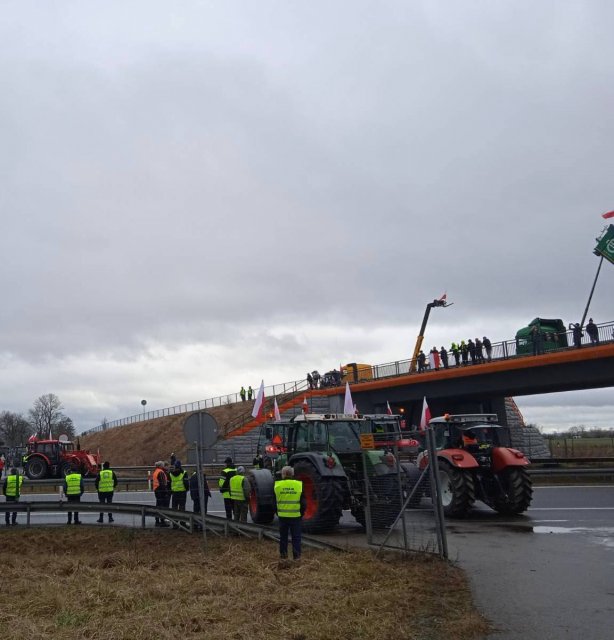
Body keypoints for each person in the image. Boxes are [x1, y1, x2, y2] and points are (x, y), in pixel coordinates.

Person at [274, 465, 306, 562]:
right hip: (295, 517)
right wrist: (301, 513)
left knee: (283, 538)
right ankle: (296, 558)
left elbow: (273, 502)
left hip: (282, 517)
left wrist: (278, 512)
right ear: (292, 474)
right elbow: (303, 503)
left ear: (283, 474)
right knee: (296, 538)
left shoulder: (277, 485)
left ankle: (283, 558)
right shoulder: (298, 485)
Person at [169, 460, 189, 525]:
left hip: (174, 493)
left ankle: (175, 523)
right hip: (182, 492)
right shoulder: (184, 473)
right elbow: (186, 483)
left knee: (174, 508)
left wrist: (171, 491)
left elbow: (169, 484)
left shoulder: (170, 473)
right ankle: (182, 523)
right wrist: (187, 489)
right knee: (182, 508)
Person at [152, 460, 170, 527]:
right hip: (160, 491)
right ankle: (161, 521)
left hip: (156, 490)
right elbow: (162, 483)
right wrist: (166, 492)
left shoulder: (156, 471)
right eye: (162, 465)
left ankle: (157, 521)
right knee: (161, 506)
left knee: (158, 505)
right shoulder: (161, 472)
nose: (163, 466)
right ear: (160, 466)